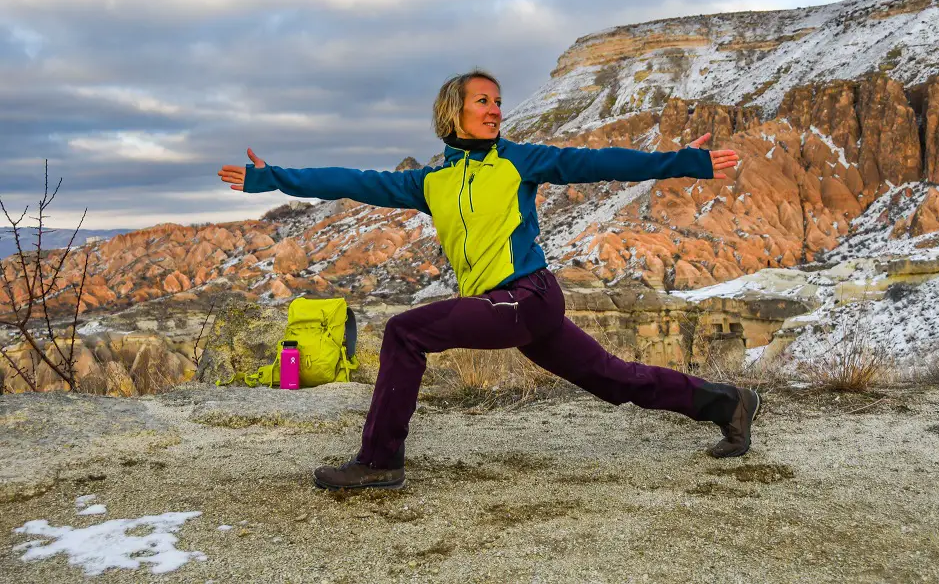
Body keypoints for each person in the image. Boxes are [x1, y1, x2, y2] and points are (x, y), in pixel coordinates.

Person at [217, 70, 760, 491]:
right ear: (453, 111)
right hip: (511, 305)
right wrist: (273, 178)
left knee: (406, 333)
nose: (495, 110)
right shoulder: (430, 181)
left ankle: (379, 462)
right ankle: (726, 403)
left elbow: (599, 162)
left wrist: (684, 161)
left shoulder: (518, 161)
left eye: (498, 101)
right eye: (483, 101)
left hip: (528, 296)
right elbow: (353, 181)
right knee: (612, 378)